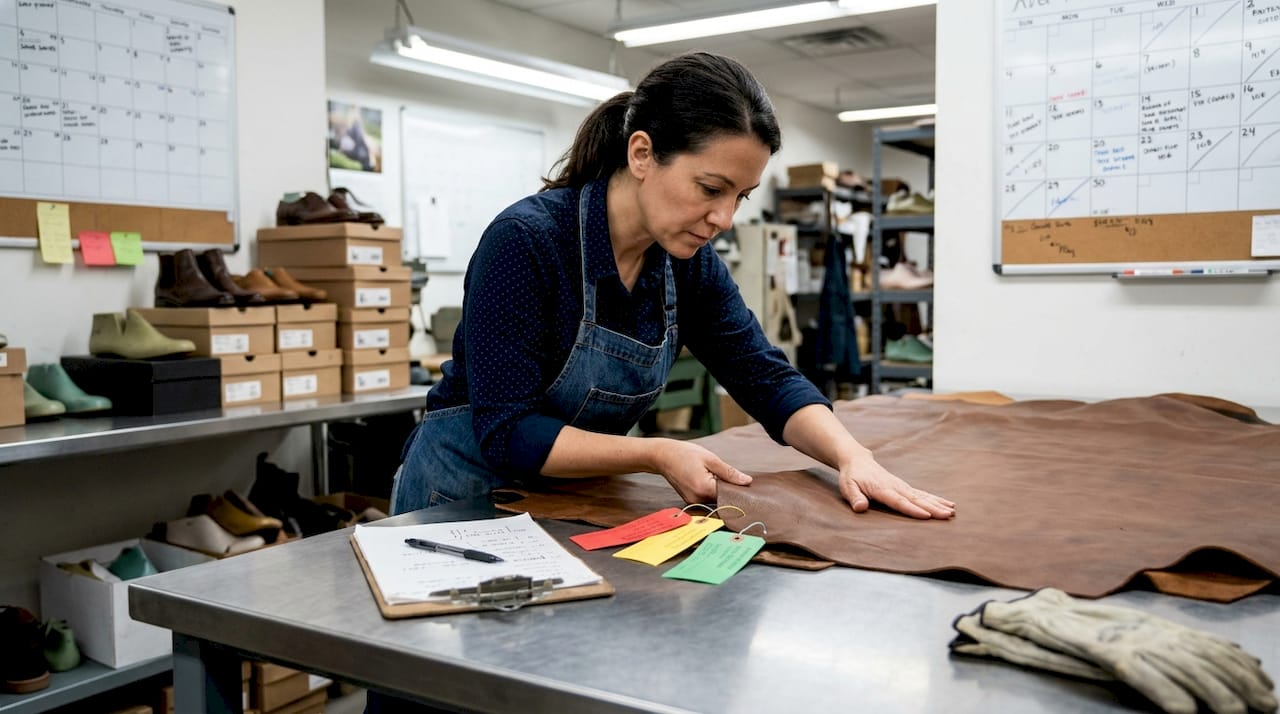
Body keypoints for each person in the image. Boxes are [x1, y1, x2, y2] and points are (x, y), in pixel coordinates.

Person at [392, 51, 955, 522]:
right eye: (711, 187)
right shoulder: (528, 242)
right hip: (459, 504)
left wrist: (853, 457)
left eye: (740, 196)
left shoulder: (685, 261)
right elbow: (507, 430)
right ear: (642, 154)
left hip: (564, 501)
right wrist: (655, 452)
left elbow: (762, 375)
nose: (724, 217)